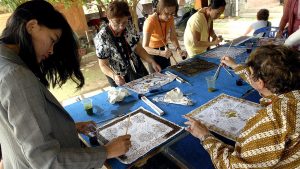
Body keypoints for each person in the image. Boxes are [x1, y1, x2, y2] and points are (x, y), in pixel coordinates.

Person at [0, 1, 131, 168]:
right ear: (32, 26)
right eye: (52, 40)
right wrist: (107, 151)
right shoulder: (17, 77)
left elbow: (18, 127)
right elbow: (47, 160)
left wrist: (67, 128)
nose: (51, 50)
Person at [184, 45, 300, 168]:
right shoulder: (289, 88)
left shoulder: (273, 120)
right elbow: (261, 80)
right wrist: (234, 66)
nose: (248, 75)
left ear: (260, 82)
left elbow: (234, 166)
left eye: (250, 72)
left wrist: (205, 136)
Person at [94, 1, 161, 87]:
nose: (121, 26)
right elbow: (103, 65)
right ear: (109, 18)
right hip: (119, 77)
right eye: (117, 22)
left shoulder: (129, 26)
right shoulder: (102, 38)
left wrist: (151, 62)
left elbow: (138, 49)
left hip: (137, 69)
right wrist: (114, 76)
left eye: (124, 22)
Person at [143, 0, 187, 71]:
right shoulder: (150, 21)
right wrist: (160, 53)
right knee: (157, 78)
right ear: (160, 10)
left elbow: (173, 37)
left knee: (169, 74)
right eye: (166, 13)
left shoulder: (171, 18)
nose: (169, 17)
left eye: (172, 13)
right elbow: (145, 47)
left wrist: (178, 49)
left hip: (165, 49)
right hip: (153, 53)